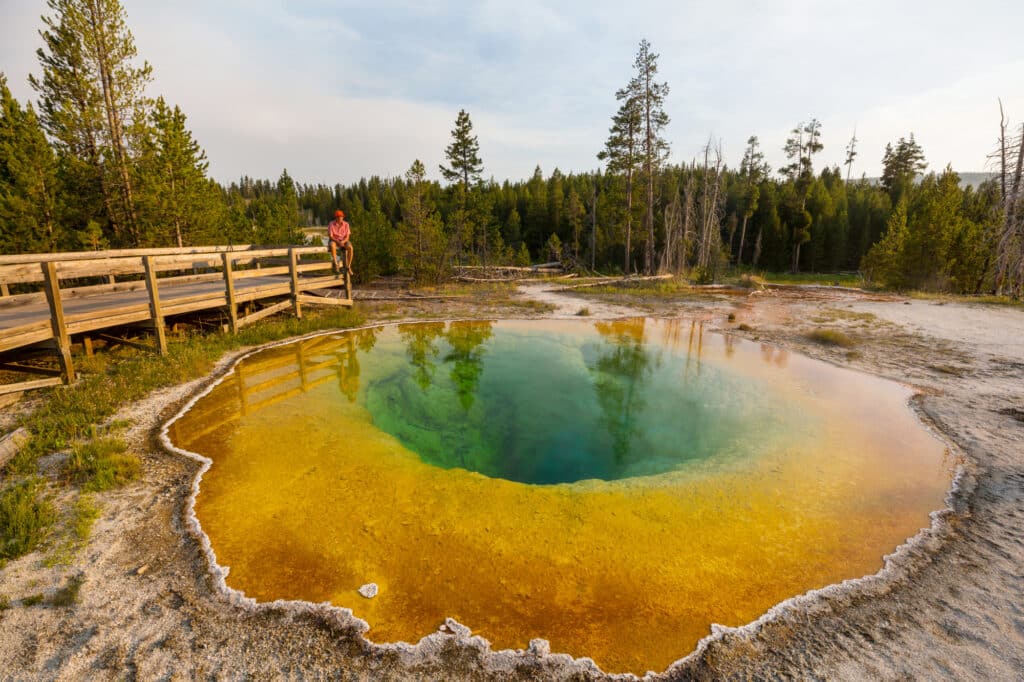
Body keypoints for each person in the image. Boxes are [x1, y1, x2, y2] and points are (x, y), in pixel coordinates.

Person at [327, 209, 354, 275]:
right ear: (336, 217)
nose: (340, 218)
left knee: (350, 248)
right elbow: (330, 236)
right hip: (334, 240)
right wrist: (337, 241)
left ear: (343, 217)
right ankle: (336, 263)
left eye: (341, 217)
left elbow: (347, 236)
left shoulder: (346, 224)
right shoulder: (331, 224)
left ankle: (348, 266)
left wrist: (343, 241)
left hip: (344, 240)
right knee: (332, 245)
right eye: (338, 217)